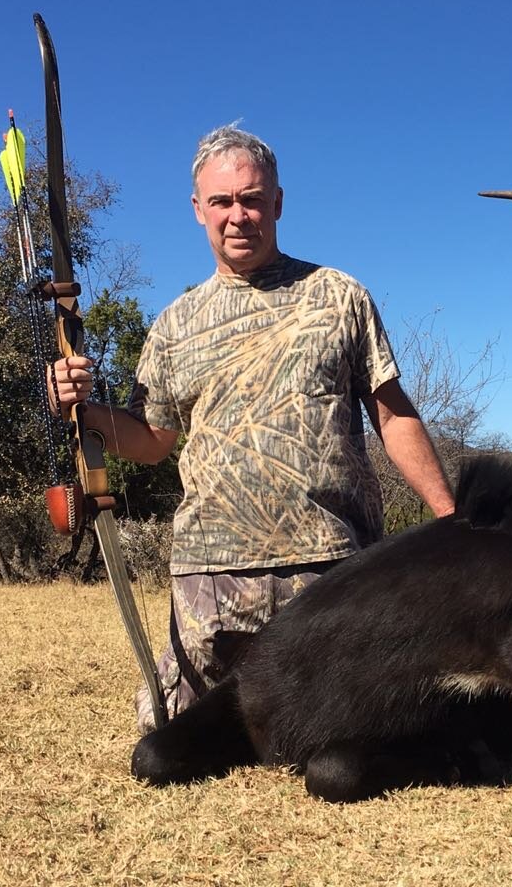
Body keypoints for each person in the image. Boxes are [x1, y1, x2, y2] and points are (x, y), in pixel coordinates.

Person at [52, 125, 455, 733]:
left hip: (331, 567)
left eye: (251, 198)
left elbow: (393, 414)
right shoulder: (172, 325)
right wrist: (83, 410)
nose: (237, 215)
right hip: (209, 573)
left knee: (358, 729)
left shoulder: (338, 296)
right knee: (168, 725)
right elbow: (153, 440)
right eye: (221, 201)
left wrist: (452, 521)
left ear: (277, 203)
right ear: (198, 210)